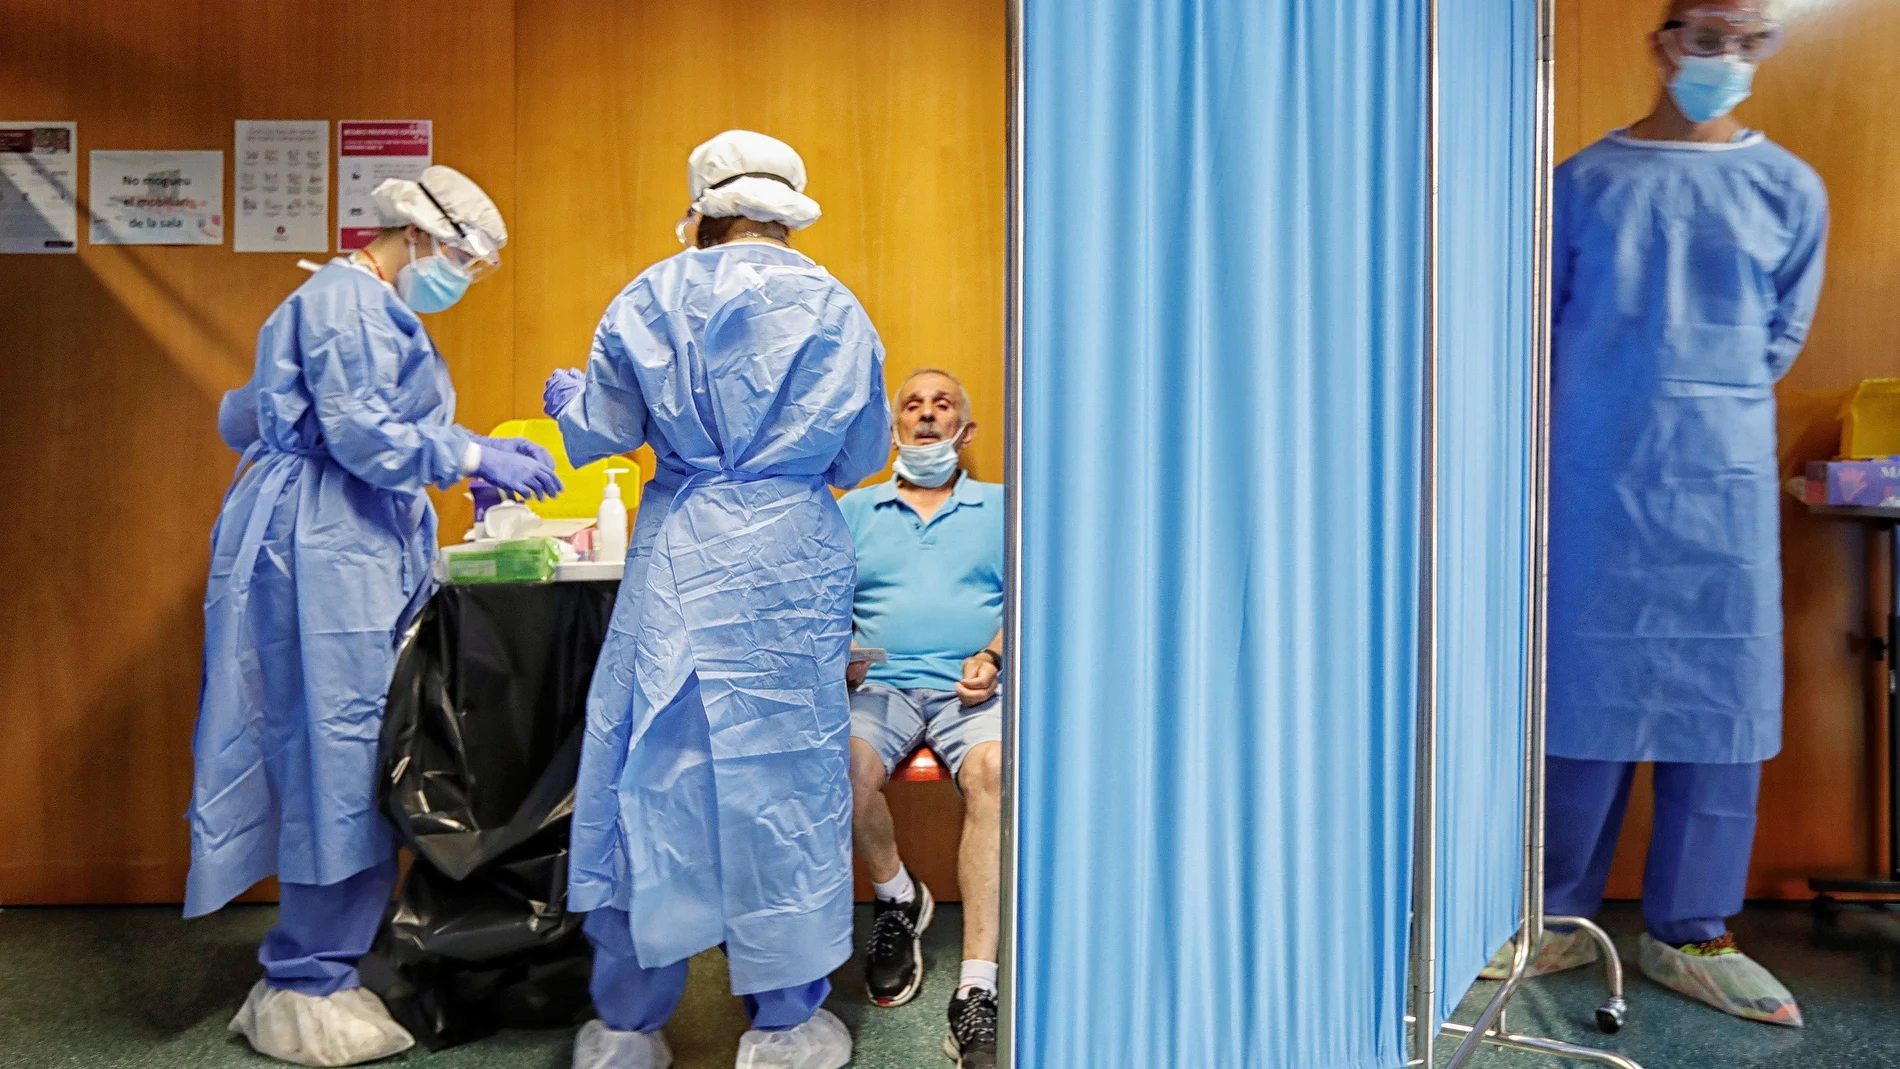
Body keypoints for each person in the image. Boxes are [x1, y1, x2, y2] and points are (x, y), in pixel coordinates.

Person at [1482, 0, 1826, 1028]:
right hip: (1593, 481)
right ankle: (1550, 915)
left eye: (1747, 38)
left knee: (1720, 704)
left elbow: (1780, 331)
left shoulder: (1787, 187)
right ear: (1662, 38)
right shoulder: (1582, 186)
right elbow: (1533, 336)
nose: (1725, 56)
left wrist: (1694, 408)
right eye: (1706, 33)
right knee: (1582, 698)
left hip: (1721, 489)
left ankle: (1695, 929)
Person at [189, 166, 562, 1066]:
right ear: (423, 237)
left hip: (347, 532)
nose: (465, 280)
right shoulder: (344, 300)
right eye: (467, 261)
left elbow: (330, 423)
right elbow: (360, 432)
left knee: (361, 744)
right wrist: (465, 449)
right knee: (339, 749)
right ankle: (305, 977)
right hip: (321, 542)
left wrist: (455, 458)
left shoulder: (372, 307)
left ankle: (327, 961)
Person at [542, 130, 891, 1069]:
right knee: (786, 775)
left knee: (646, 761)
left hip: (678, 552)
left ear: (701, 206)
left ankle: (627, 1024)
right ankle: (783, 1023)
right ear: (788, 209)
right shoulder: (838, 308)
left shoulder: (648, 295)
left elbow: (603, 429)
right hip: (786, 560)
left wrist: (575, 404)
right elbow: (861, 457)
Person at [840, 368, 1004, 1069]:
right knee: (842, 765)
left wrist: (994, 656)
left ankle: (976, 988)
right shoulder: (854, 509)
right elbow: (824, 603)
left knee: (996, 771)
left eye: (944, 406)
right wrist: (841, 649)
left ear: (965, 431)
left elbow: (1035, 596)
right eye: (914, 405)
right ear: (896, 429)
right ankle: (897, 897)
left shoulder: (1004, 505)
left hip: (974, 685)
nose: (928, 415)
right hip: (883, 683)